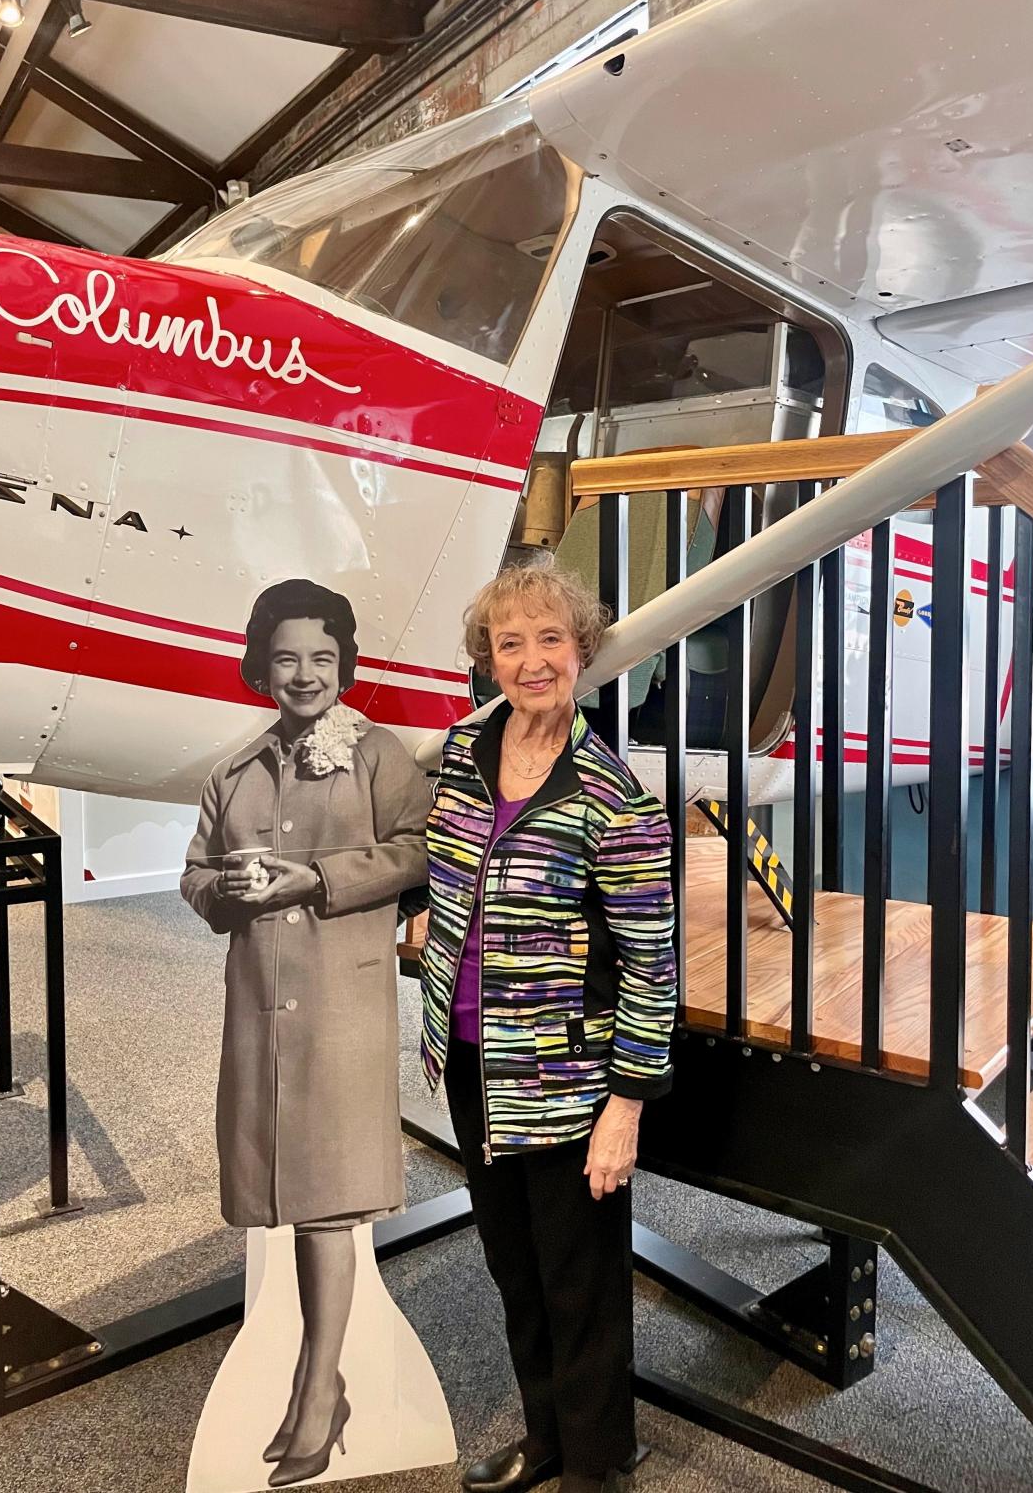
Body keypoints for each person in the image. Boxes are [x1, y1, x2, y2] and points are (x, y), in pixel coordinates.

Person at [421, 561, 677, 1493]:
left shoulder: (613, 795)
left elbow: (653, 961)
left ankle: (599, 1468)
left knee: (582, 1285)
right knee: (514, 1270)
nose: (531, 661)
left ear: (582, 651)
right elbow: (443, 863)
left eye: (550, 640)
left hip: (566, 1079)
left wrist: (627, 1106)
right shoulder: (462, 752)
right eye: (510, 642)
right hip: (470, 1057)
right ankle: (548, 1440)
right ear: (488, 660)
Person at [181, 579, 429, 1488]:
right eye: (286, 658)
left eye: (322, 659)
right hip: (258, 1009)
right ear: (261, 666)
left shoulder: (378, 755)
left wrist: (313, 880)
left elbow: (419, 849)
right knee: (284, 1191)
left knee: (326, 1201)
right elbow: (195, 874)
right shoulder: (233, 771)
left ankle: (322, 1390)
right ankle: (312, 1382)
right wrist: (228, 892)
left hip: (340, 1010)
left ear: (344, 665)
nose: (304, 675)